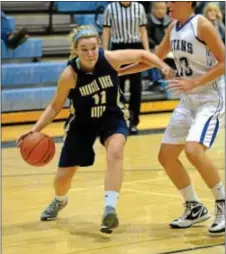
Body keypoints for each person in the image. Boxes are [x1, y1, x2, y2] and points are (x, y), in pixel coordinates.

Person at [17, 25, 171, 235]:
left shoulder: (109, 58)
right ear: (75, 51)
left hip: (112, 116)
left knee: (115, 152)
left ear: (99, 46)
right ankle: (60, 200)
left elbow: (144, 55)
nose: (90, 53)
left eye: (93, 47)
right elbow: (54, 106)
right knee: (63, 178)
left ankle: (110, 209)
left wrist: (162, 66)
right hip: (82, 123)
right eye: (84, 49)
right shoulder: (69, 75)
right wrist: (34, 130)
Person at [119, 1, 225, 236]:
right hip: (188, 100)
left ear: (188, 2)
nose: (168, 5)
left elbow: (225, 62)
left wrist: (194, 82)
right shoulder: (173, 27)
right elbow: (152, 59)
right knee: (166, 156)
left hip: (210, 97)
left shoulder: (202, 25)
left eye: (172, 1)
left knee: (193, 150)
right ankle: (194, 207)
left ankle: (222, 204)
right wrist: (118, 71)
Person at [103, 1, 149, 134]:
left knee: (136, 88)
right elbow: (106, 31)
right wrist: (105, 52)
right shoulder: (110, 8)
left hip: (136, 47)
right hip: (118, 48)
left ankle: (134, 121)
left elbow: (143, 30)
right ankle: (120, 120)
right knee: (118, 87)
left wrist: (146, 51)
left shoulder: (139, 7)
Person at [147, 2, 172, 91]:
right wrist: (154, 45)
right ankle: (155, 82)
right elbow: (146, 36)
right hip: (152, 48)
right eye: (157, 8)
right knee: (152, 57)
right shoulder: (147, 20)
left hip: (167, 49)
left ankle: (172, 82)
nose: (160, 11)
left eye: (162, 9)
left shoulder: (170, 21)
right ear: (152, 9)